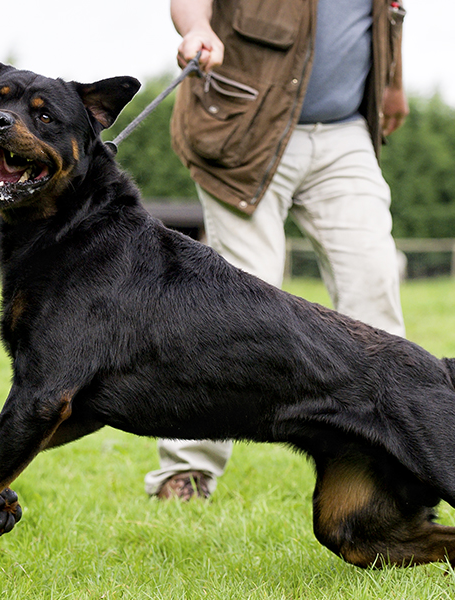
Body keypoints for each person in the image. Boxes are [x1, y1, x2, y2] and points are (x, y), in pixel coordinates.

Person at [145, 0, 410, 500]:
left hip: (345, 131)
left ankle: (386, 472)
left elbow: (388, 12)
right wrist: (197, 28)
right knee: (237, 304)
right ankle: (187, 470)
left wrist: (392, 84)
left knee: (374, 281)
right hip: (245, 127)